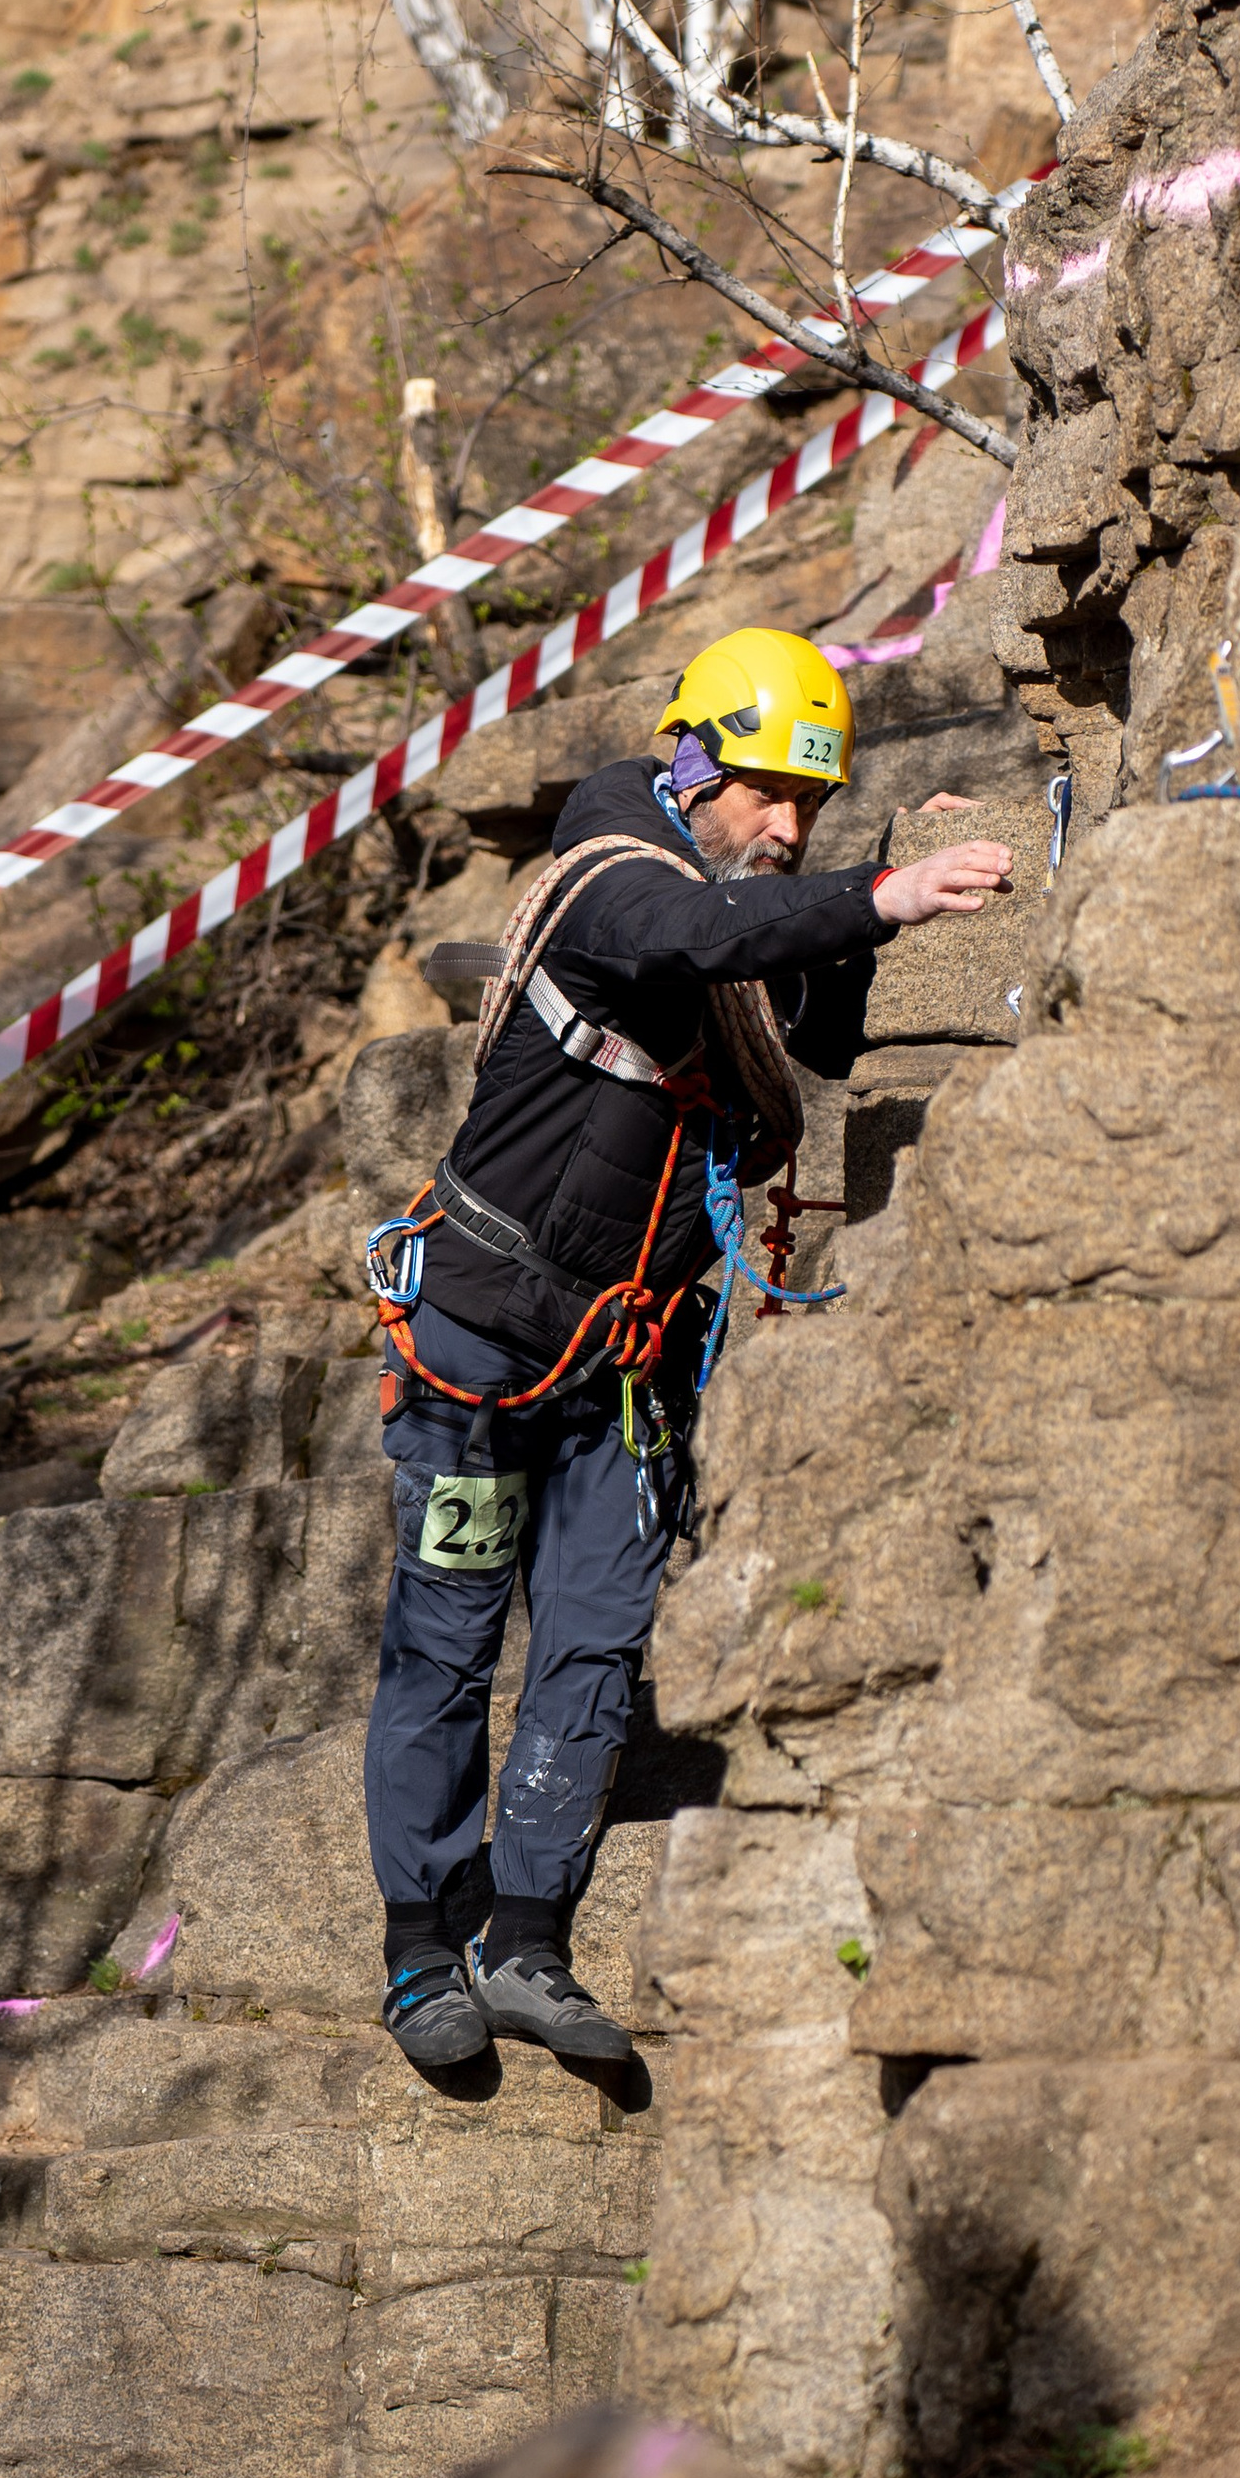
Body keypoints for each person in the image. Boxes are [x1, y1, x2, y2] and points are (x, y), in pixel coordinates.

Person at [359, 624, 1012, 2071]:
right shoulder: (609, 873)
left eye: (814, 806)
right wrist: (875, 892)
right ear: (694, 763)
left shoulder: (742, 900)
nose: (788, 829)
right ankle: (422, 1950)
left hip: (626, 1363)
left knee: (594, 1644)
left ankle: (528, 1942)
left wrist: (893, 870)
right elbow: (692, 940)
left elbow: (816, 1023)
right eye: (770, 794)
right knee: (450, 1642)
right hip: (481, 1344)